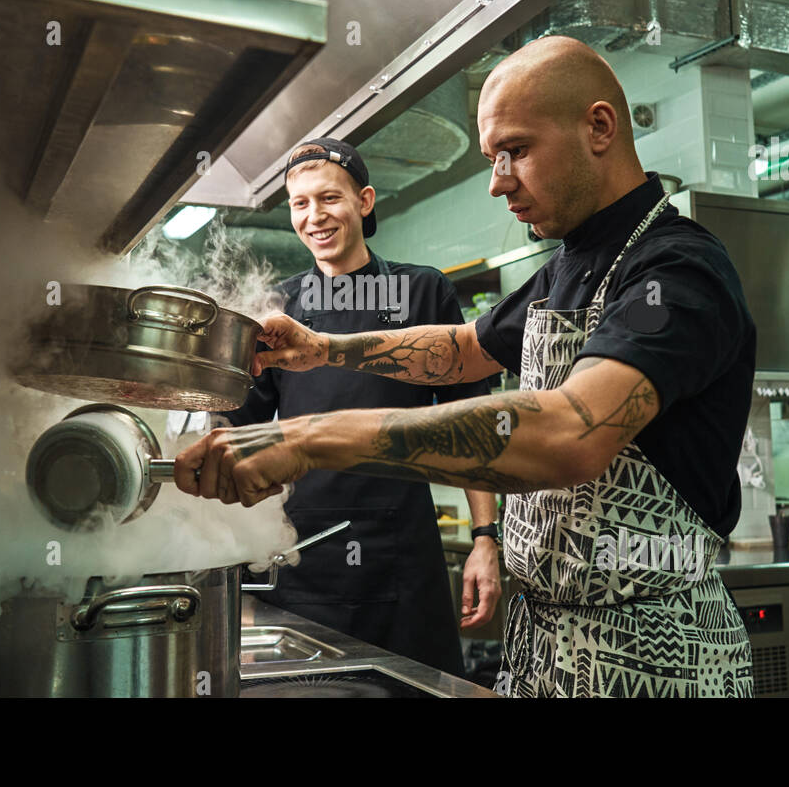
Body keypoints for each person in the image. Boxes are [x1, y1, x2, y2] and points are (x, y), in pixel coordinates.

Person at [174, 36, 758, 698]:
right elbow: (461, 351)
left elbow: (571, 433)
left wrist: (312, 439)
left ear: (599, 126)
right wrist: (322, 349)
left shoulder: (675, 271)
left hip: (652, 659)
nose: (497, 180)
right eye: (492, 157)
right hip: (544, 644)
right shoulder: (571, 267)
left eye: (515, 151)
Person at [217, 137, 500, 677]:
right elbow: (237, 429)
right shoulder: (277, 308)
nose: (313, 217)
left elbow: (473, 422)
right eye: (300, 204)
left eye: (329, 199)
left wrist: (486, 538)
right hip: (301, 557)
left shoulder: (421, 292)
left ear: (365, 201)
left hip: (403, 556)